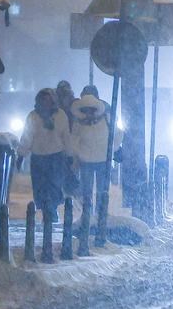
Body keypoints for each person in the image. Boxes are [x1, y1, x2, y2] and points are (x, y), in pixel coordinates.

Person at [18, 88, 71, 224]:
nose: (46, 103)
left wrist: (69, 154)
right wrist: (21, 154)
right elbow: (27, 137)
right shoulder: (33, 116)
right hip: (39, 157)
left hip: (56, 157)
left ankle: (51, 209)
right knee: (41, 186)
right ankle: (47, 209)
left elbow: (66, 136)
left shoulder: (60, 116)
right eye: (44, 100)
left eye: (49, 100)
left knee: (54, 185)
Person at [69, 86, 112, 226]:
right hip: (89, 161)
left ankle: (99, 215)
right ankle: (90, 216)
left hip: (98, 161)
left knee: (100, 191)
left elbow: (116, 135)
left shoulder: (106, 116)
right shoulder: (79, 121)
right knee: (88, 191)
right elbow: (74, 140)